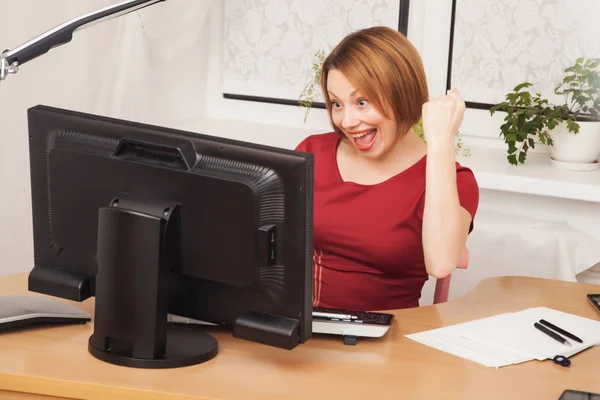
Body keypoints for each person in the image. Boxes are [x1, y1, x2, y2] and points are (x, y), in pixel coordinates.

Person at [295, 26, 479, 311]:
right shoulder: (312, 153)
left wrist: (441, 140)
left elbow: (442, 263)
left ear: (402, 94)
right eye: (336, 104)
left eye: (362, 102)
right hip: (303, 331)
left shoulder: (454, 180)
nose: (347, 120)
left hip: (386, 342)